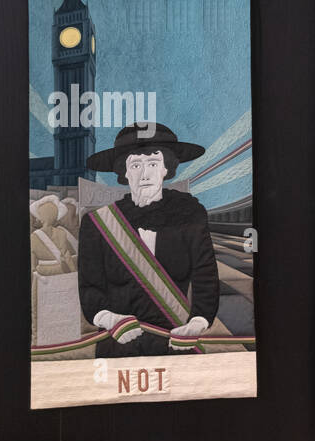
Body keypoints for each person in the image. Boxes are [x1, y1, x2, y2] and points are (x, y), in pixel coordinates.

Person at [77, 123, 219, 357]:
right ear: (124, 172)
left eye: (153, 163)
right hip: (118, 343)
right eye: (135, 165)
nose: (145, 174)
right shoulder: (97, 223)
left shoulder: (189, 215)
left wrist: (198, 322)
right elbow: (90, 289)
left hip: (178, 341)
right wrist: (109, 319)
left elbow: (206, 276)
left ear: (166, 169)